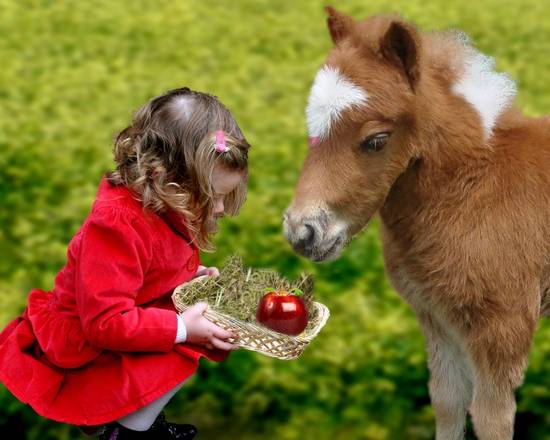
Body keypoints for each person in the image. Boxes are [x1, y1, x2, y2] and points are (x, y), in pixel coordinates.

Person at [0, 87, 251, 439]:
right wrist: (181, 328)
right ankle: (127, 432)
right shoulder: (116, 225)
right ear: (164, 178)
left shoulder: (163, 206)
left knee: (196, 336)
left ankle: (141, 421)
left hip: (126, 312)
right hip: (90, 338)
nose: (221, 209)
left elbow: (149, 268)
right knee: (182, 348)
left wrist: (189, 278)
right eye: (212, 197)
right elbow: (104, 321)